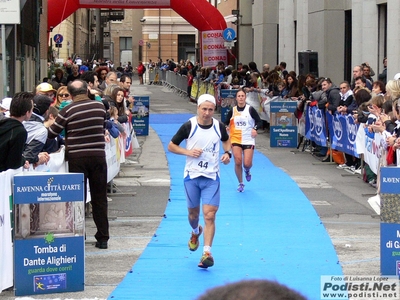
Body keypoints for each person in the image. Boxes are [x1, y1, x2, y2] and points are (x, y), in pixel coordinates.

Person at [167, 94, 231, 268]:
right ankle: (196, 232)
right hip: (192, 176)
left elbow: (226, 140)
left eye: (211, 109)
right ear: (198, 108)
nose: (207, 113)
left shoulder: (219, 126)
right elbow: (171, 145)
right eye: (204, 109)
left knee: (210, 215)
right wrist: (188, 152)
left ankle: (207, 253)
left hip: (212, 177)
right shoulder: (189, 126)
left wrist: (227, 154)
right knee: (193, 215)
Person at [48, 79, 109, 249]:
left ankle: (79, 235)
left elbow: (52, 133)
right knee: (99, 198)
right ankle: (103, 237)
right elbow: (102, 126)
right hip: (98, 156)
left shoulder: (67, 110)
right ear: (86, 90)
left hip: (77, 157)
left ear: (71, 94)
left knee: (78, 198)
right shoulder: (99, 107)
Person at [224, 89, 262, 192]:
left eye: (242, 96)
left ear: (245, 97)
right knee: (237, 161)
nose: (241, 98)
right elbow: (225, 122)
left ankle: (247, 170)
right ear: (236, 98)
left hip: (248, 138)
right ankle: (241, 183)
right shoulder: (233, 110)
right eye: (239, 96)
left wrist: (255, 129)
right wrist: (227, 127)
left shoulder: (250, 109)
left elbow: (259, 121)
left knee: (247, 163)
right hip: (235, 138)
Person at [0, 92, 34, 172]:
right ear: (27, 113)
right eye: (32, 109)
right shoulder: (19, 131)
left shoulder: (3, 123)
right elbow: (13, 162)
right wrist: (23, 161)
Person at [23, 94, 52, 168]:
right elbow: (29, 156)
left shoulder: (16, 119)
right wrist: (38, 158)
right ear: (46, 111)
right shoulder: (42, 131)